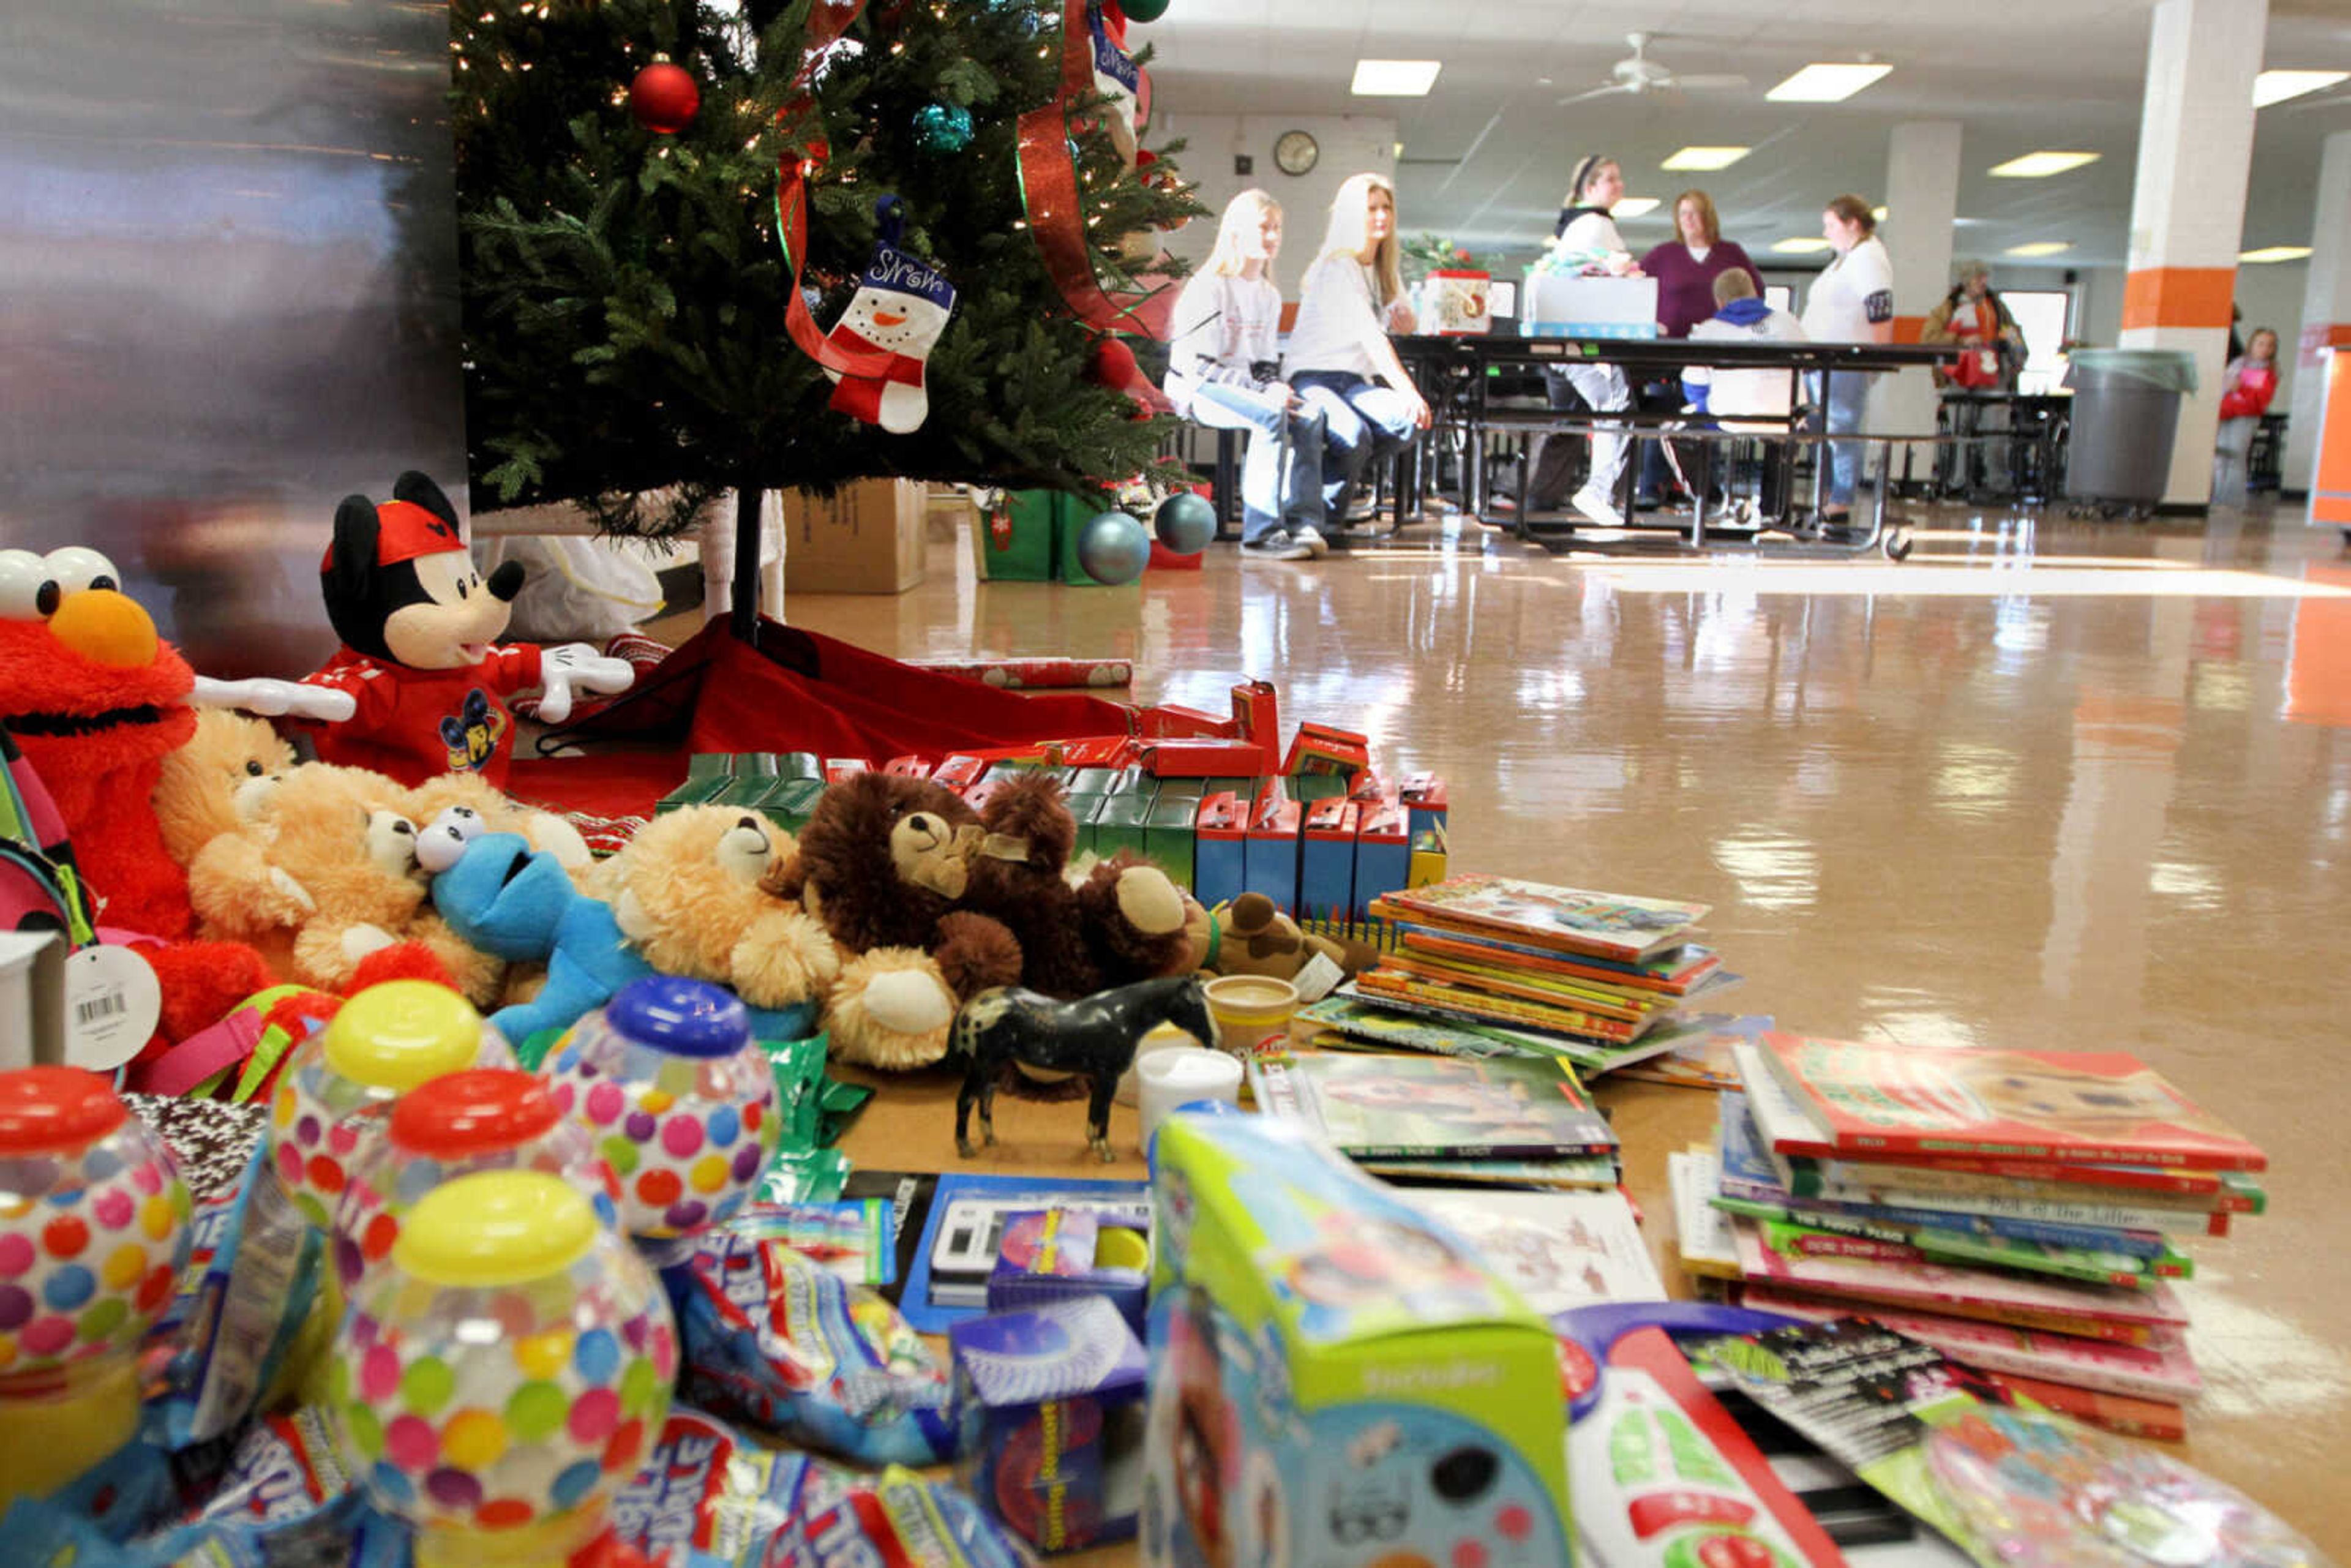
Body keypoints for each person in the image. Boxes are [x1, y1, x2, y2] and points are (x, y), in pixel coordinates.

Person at [1166, 190, 1329, 560]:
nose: (1272, 237)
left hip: (1245, 388)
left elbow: (1264, 364)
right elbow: (1199, 366)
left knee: (1311, 415)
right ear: (1237, 232)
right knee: (1270, 415)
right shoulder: (1210, 286)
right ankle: (1260, 535)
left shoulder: (1269, 295)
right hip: (1196, 389)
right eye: (1263, 228)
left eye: (1277, 228)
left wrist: (1274, 386)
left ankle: (1304, 523)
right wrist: (1263, 392)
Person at [1284, 172, 1430, 544]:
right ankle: (1316, 517)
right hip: (1312, 377)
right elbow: (1372, 338)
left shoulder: (1383, 270)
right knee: (1354, 433)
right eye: (1371, 209)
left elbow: (1405, 322)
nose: (1381, 216)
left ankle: (1322, 510)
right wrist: (1410, 390)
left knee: (1405, 422)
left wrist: (1408, 321)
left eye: (1386, 208)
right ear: (1353, 216)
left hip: (1353, 383)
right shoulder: (1339, 267)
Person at [1524, 154, 1640, 528]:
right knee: (1615, 405)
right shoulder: (1595, 224)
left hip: (1558, 341)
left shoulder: (1573, 225)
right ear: (1590, 188)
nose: (1619, 185)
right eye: (1611, 179)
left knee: (1570, 417)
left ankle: (1541, 497)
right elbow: (1601, 284)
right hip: (1581, 342)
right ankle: (1599, 491)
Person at [1635, 189, 1765, 506]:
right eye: (1683, 214)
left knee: (1706, 414)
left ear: (1708, 216)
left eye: (1695, 213)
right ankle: (1652, 486)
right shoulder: (1665, 255)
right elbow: (1635, 286)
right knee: (1665, 413)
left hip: (1715, 349)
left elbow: (1755, 293)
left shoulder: (1730, 254)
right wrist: (1648, 323)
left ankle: (1703, 486)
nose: (1689, 220)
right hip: (1670, 350)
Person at [1798, 193, 1895, 528]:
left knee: (1841, 430)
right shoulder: (1845, 259)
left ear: (1852, 223)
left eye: (1830, 225)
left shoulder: (1868, 257)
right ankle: (1826, 495)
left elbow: (1880, 307)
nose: (1826, 232)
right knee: (1821, 431)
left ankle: (1840, 500)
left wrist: (1877, 360)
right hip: (1821, 363)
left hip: (1844, 363)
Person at [1681, 269, 1807, 519]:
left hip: (1729, 418)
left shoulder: (1709, 330)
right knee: (1787, 429)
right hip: (1787, 419)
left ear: (1720, 301)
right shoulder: (1789, 323)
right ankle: (1776, 510)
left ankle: (1709, 499)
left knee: (1675, 431)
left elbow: (1693, 389)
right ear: (1756, 294)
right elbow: (1810, 371)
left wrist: (1708, 404)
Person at [1921, 260, 2027, 496]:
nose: (1983, 282)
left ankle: (1998, 484)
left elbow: (2013, 335)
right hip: (1960, 377)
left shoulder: (1997, 307)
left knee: (1997, 432)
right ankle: (1959, 482)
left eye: (1985, 278)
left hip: (1993, 375)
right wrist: (1960, 342)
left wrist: (2018, 359)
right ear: (1966, 280)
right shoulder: (1948, 308)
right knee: (1961, 431)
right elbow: (1929, 338)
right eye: (1978, 278)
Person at [2214, 327, 2281, 500]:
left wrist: (2241, 389)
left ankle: (2232, 499)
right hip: (2226, 412)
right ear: (2252, 345)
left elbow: (2261, 400)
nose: (2264, 349)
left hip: (2246, 417)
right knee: (2220, 457)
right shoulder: (2237, 365)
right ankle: (2218, 496)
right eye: (2261, 344)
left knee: (2236, 456)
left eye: (2269, 345)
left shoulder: (2270, 373)